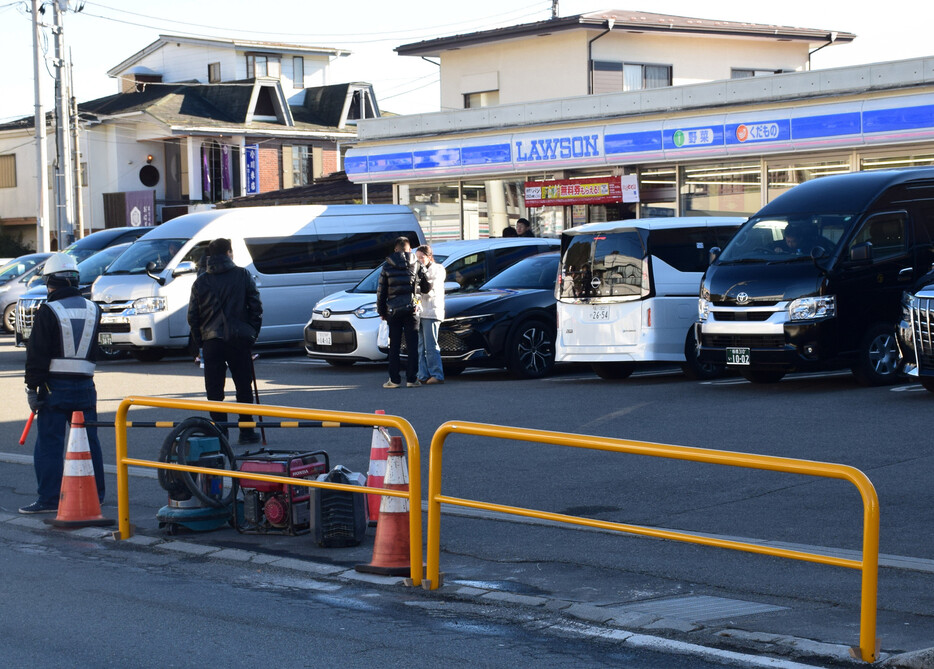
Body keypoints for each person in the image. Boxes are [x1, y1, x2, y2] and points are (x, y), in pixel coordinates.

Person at [20, 253, 105, 514]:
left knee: (50, 444)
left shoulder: (49, 310)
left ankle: (48, 498)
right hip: (86, 387)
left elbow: (37, 354)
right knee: (90, 442)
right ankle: (96, 494)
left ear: (51, 282)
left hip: (54, 388)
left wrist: (32, 388)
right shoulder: (94, 308)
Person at [187, 238, 263, 444]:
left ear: (210, 257)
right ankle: (246, 430)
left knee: (214, 390)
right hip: (238, 339)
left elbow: (193, 315)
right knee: (244, 387)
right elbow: (255, 307)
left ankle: (220, 433)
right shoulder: (242, 275)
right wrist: (252, 333)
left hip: (212, 341)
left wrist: (200, 340)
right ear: (229, 252)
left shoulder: (201, 281)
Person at [377, 236, 429, 388]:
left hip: (393, 310)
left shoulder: (387, 266)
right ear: (409, 249)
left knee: (394, 345)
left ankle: (394, 380)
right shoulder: (417, 264)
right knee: (412, 345)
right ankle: (412, 379)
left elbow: (381, 292)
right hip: (412, 309)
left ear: (395, 249)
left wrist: (382, 311)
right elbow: (426, 287)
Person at [415, 244, 446, 385]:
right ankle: (422, 374)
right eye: (417, 258)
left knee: (431, 345)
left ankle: (437, 374)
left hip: (432, 311)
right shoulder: (416, 269)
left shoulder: (438, 270)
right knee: (420, 346)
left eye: (422, 257)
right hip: (420, 312)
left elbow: (429, 289)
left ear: (429, 257)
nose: (419, 260)